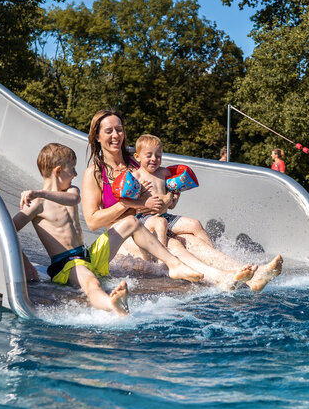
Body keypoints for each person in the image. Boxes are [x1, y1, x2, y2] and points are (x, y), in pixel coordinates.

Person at [81, 108, 282, 291]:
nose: (116, 135)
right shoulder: (95, 173)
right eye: (109, 131)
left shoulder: (138, 160)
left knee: (191, 238)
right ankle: (220, 278)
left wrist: (170, 197)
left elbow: (165, 187)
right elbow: (92, 221)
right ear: (97, 136)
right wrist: (127, 204)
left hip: (155, 222)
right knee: (174, 245)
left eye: (119, 129)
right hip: (126, 234)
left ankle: (250, 274)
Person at [13, 143, 204, 316]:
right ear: (58, 171)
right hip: (67, 264)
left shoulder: (70, 191)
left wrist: (39, 192)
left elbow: (74, 199)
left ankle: (174, 265)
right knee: (91, 283)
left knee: (131, 222)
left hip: (88, 255)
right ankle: (111, 304)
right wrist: (24, 262)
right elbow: (9, 230)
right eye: (72, 169)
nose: (75, 174)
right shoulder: (36, 204)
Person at [132, 134, 213, 247]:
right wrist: (143, 202)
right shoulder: (136, 177)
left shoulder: (164, 173)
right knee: (161, 223)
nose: (154, 159)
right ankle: (161, 256)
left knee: (195, 224)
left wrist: (175, 195)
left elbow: (172, 202)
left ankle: (212, 250)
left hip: (165, 216)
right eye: (149, 155)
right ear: (137, 156)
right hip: (145, 219)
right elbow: (127, 202)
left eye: (158, 156)